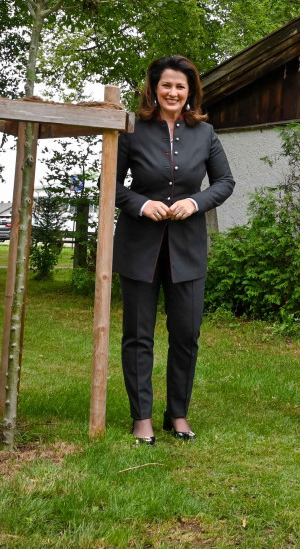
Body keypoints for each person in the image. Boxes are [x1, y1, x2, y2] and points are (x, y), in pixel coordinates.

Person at [112, 55, 234, 445]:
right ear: (154, 88)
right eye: (166, 85)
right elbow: (110, 183)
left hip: (188, 249)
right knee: (137, 335)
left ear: (191, 92)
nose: (173, 92)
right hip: (138, 246)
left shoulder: (205, 133)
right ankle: (142, 417)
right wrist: (141, 204)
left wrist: (196, 202)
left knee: (186, 334)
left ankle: (177, 414)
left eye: (181, 86)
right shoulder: (132, 129)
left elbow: (226, 182)